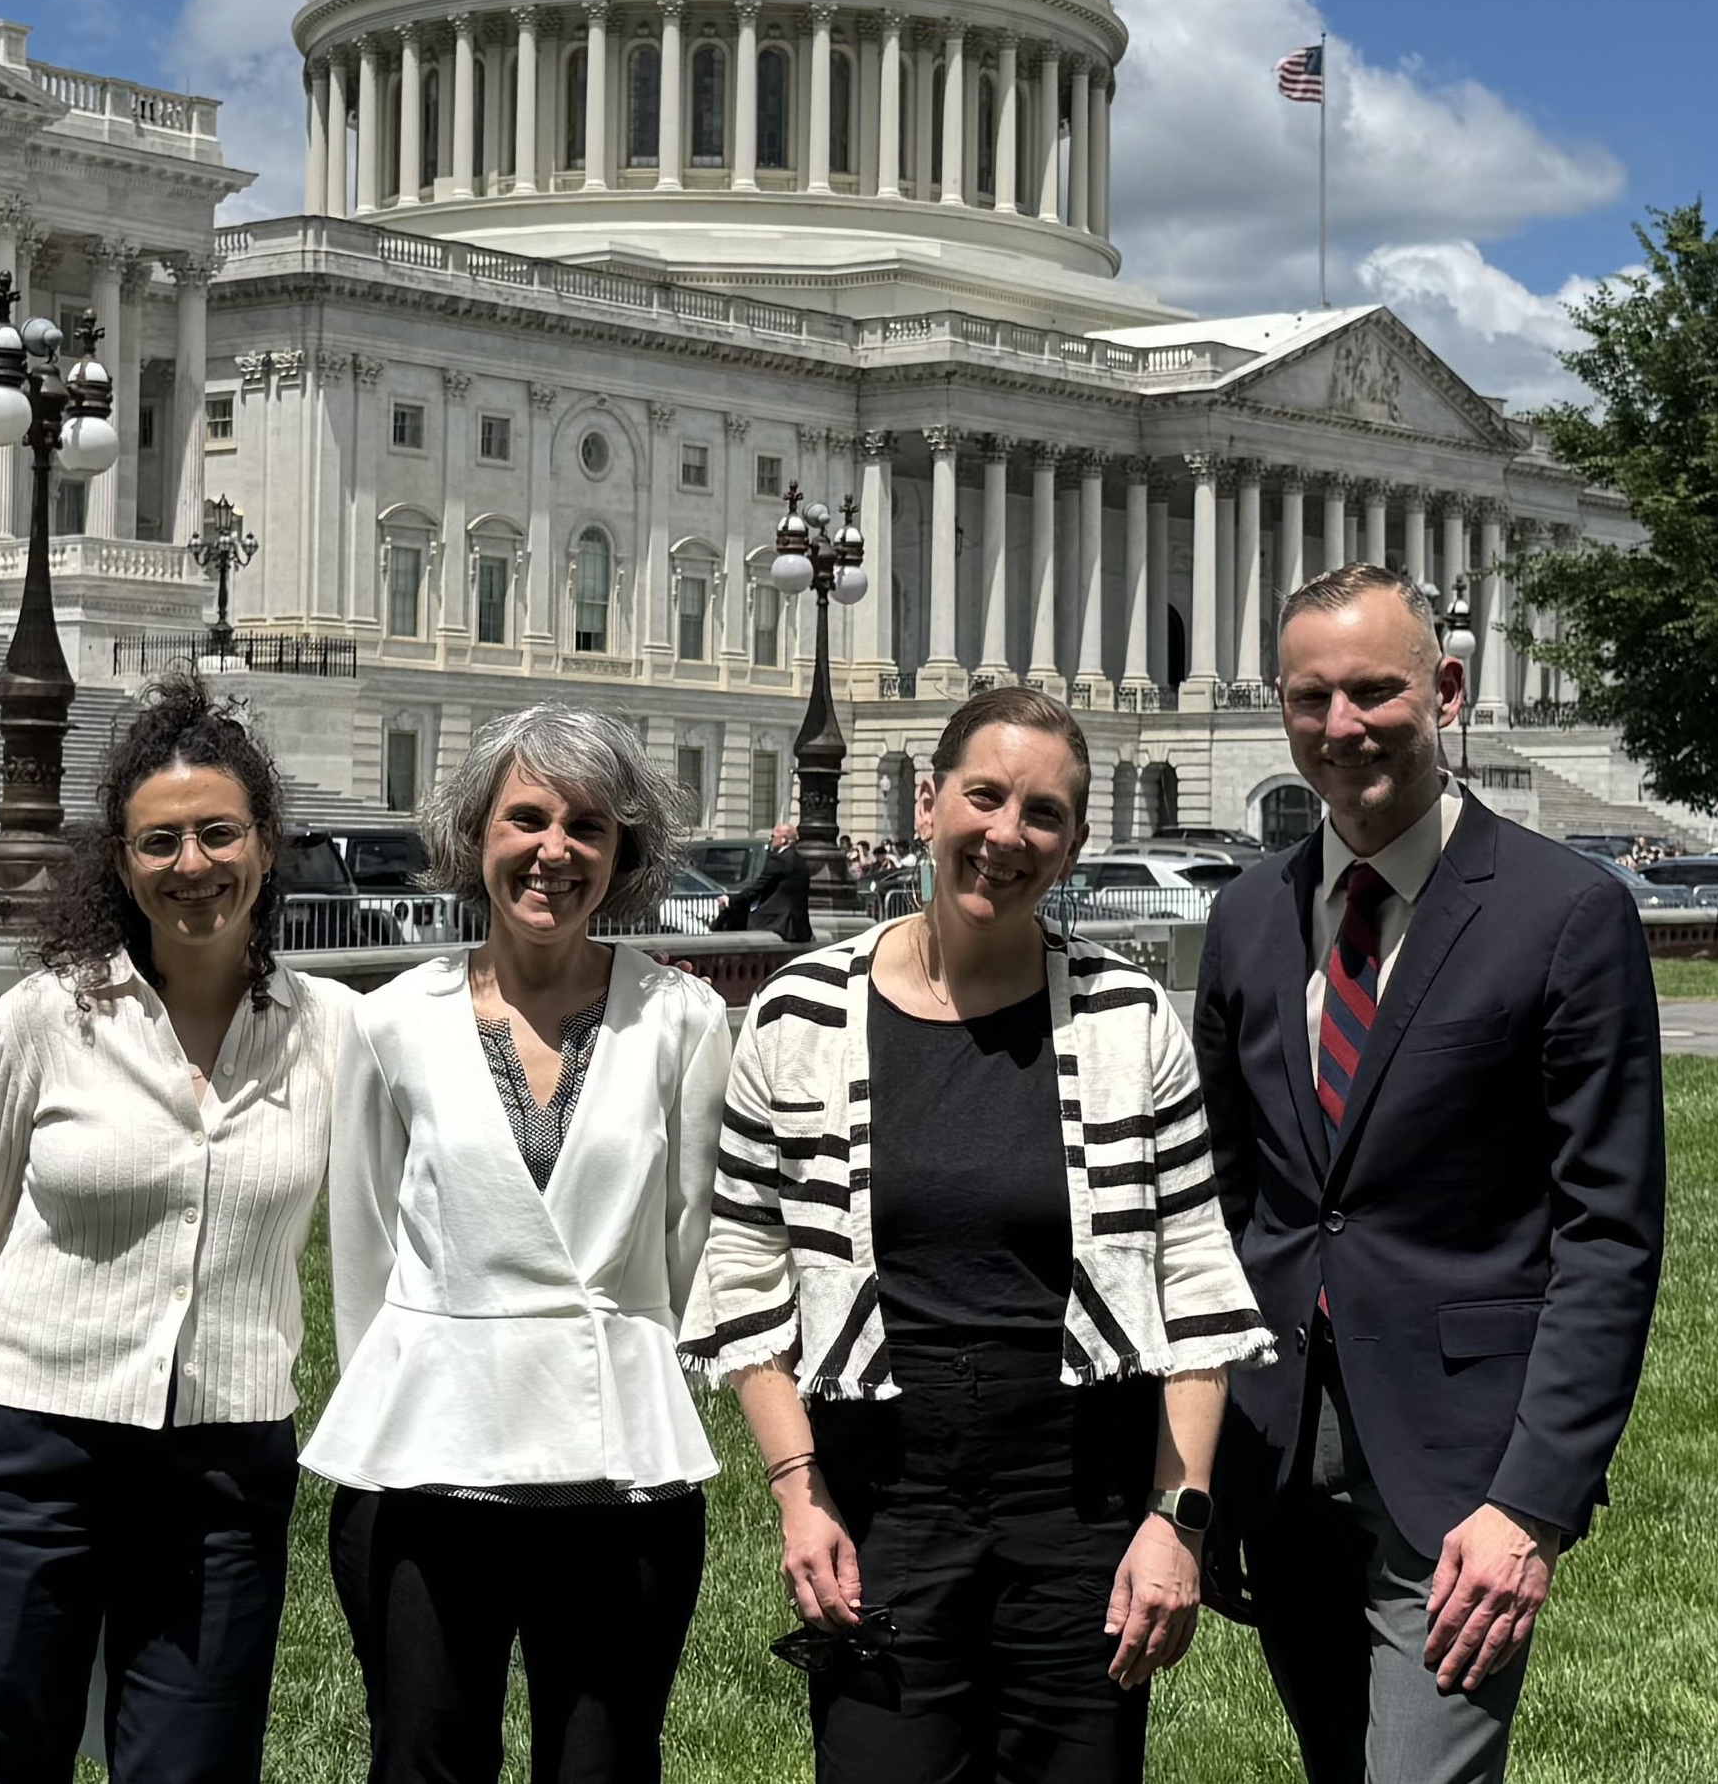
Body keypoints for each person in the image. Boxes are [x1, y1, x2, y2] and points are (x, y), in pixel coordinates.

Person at [682, 688, 1272, 1784]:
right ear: (926, 802)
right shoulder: (800, 1011)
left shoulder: (1128, 1018)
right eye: (983, 796)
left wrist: (1175, 1522)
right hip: (883, 1501)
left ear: (1075, 843)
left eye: (1042, 813)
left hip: (1080, 1507)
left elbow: (1195, 1281)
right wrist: (798, 1493)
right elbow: (743, 1267)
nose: (1005, 835)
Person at [1195, 563, 1666, 1784]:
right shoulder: (1248, 915)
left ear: (1445, 689)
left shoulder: (1566, 913)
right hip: (1280, 1446)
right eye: (1311, 697)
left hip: (1465, 1467)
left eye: (1373, 690)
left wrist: (1535, 1500)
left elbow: (1607, 1231)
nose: (1343, 725)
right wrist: (1200, 1465)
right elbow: (1225, 1203)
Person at [0, 672, 355, 1783]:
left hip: (223, 1469)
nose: (191, 864)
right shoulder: (45, 1017)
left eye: (218, 832)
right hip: (28, 1447)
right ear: (119, 860)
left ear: (266, 846)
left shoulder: (333, 1035)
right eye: (160, 841)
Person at [306, 703, 732, 1784]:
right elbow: (363, 1244)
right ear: (476, 834)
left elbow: (690, 1239)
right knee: (424, 1758)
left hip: (618, 1467)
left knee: (603, 1762)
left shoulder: (679, 1019)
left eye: (587, 825)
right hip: (429, 1457)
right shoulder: (392, 1019)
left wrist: (642, 1363)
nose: (555, 850)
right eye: (527, 818)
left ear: (622, 850)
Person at [723, 818, 814, 941]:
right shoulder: (799, 860)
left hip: (781, 921)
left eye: (773, 836)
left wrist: (730, 900)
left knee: (734, 918)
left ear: (783, 839)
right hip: (798, 924)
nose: (771, 840)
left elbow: (757, 888)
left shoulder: (780, 860)